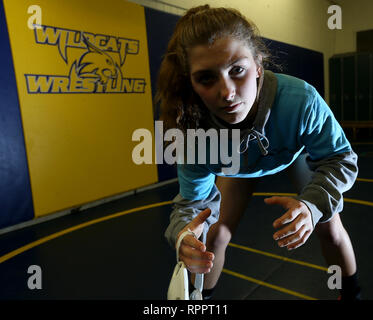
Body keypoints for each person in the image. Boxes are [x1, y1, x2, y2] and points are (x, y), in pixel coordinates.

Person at [155, 4, 361, 300]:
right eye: (206, 78)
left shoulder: (300, 100)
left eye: (237, 70)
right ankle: (203, 301)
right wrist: (183, 235)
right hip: (238, 165)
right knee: (214, 234)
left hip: (293, 155)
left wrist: (311, 207)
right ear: (191, 82)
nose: (227, 92)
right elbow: (192, 204)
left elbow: (341, 158)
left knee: (328, 223)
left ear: (258, 66)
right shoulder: (193, 129)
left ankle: (350, 294)